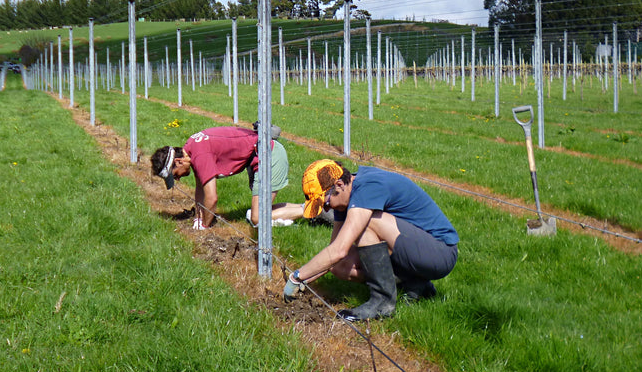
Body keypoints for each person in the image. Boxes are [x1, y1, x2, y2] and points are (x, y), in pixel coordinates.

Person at [283, 159, 458, 321]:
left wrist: (297, 277)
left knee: (367, 222)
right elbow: (334, 255)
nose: (327, 209)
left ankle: (382, 303)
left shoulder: (367, 188)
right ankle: (415, 283)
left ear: (339, 184)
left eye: (326, 203)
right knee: (340, 267)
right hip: (413, 250)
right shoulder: (345, 197)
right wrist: (306, 279)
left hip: (440, 253)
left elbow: (339, 249)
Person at [151, 125, 305, 229]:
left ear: (178, 162)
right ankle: (308, 207)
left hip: (269, 155)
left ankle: (313, 211)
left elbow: (211, 198)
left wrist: (204, 226)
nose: (177, 179)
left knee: (257, 218)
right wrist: (198, 218)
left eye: (175, 175)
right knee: (257, 213)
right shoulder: (191, 147)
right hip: (259, 156)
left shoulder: (200, 155)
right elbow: (200, 189)